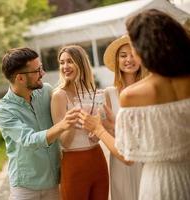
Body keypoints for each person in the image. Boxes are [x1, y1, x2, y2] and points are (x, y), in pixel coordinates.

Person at [79, 9, 190, 200]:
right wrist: (116, 126)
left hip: (159, 182)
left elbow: (127, 157)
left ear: (142, 50)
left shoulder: (133, 95)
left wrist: (98, 128)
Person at [0, 47, 79, 200]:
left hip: (54, 182)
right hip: (25, 188)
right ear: (20, 78)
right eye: (37, 70)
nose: (43, 73)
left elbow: (67, 96)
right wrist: (62, 125)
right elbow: (28, 139)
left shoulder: (46, 91)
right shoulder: (3, 110)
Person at [51, 45, 109, 200]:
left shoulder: (92, 92)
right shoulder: (59, 95)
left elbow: (95, 136)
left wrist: (97, 128)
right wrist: (72, 121)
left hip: (97, 158)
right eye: (62, 63)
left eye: (70, 61)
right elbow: (65, 143)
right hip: (74, 163)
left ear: (81, 63)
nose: (65, 67)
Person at [103, 35, 146, 200]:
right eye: (123, 55)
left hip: (146, 156)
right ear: (117, 61)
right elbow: (108, 129)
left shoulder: (149, 89)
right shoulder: (109, 93)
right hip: (120, 158)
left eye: (133, 54)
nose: (129, 59)